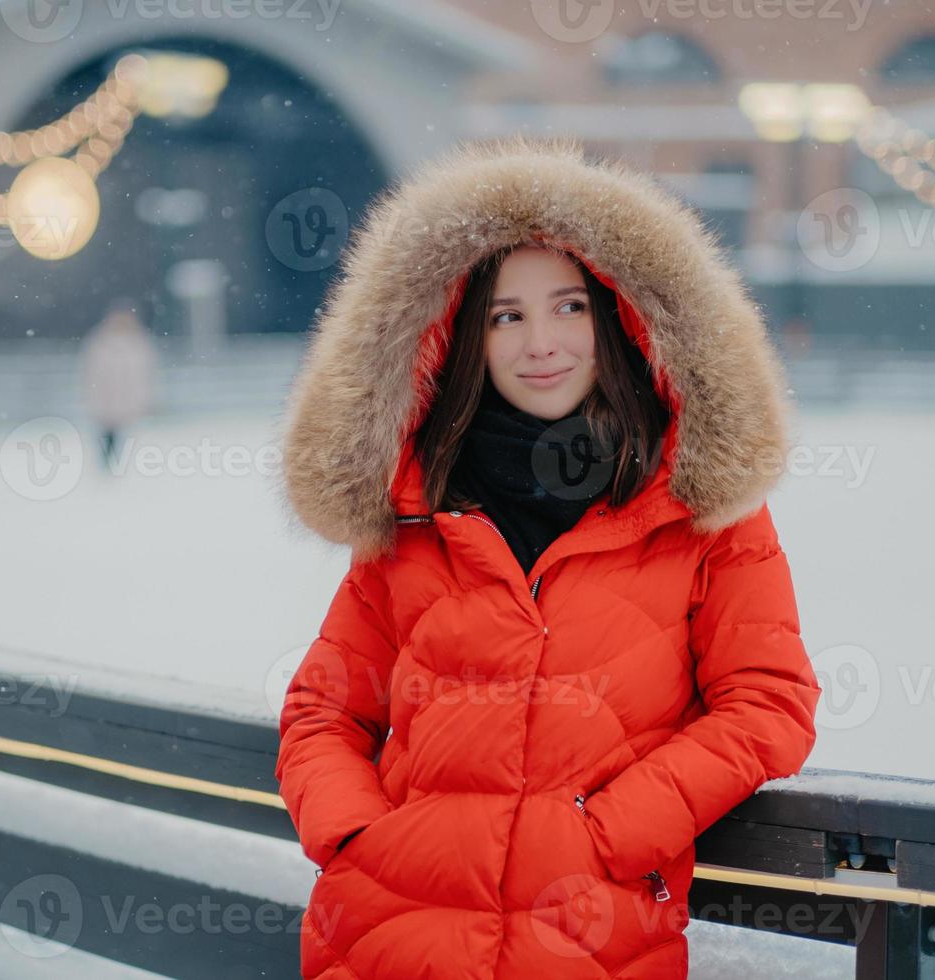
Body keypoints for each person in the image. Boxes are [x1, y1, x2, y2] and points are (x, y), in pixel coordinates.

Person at [274, 135, 821, 979]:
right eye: (508, 315)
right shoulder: (416, 507)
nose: (542, 343)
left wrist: (609, 831)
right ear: (462, 338)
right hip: (388, 939)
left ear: (621, 318)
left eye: (568, 307)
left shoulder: (702, 511)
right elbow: (325, 712)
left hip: (590, 943)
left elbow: (767, 703)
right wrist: (355, 837)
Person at [79, 299, 157, 471]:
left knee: (125, 435)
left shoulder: (138, 343)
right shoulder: (100, 342)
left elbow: (144, 375)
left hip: (128, 398)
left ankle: (119, 465)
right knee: (107, 433)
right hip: (105, 397)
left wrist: (143, 398)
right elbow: (92, 373)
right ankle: (107, 466)